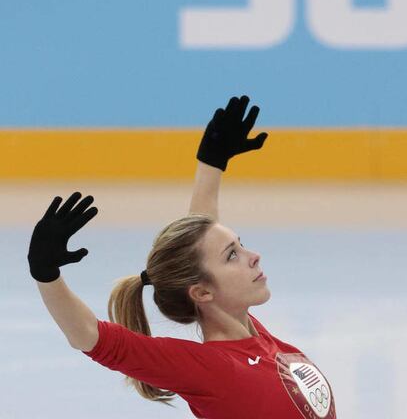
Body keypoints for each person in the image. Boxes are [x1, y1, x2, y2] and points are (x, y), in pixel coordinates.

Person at [28, 95, 336, 419]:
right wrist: (46, 273)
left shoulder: (253, 334)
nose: (254, 256)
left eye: (241, 245)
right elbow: (90, 337)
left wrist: (211, 163)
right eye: (233, 255)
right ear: (202, 292)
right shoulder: (208, 368)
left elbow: (201, 243)